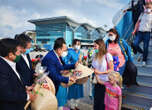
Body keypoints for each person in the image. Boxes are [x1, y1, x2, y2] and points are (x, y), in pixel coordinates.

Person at [0, 38, 35, 110]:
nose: (21, 54)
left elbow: (13, 82)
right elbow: (5, 94)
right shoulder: (2, 68)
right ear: (10, 55)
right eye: (19, 52)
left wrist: (25, 87)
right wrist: (27, 96)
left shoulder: (10, 63)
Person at [92, 39, 114, 110]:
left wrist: (100, 73)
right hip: (97, 81)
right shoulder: (94, 55)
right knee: (96, 102)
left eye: (95, 46)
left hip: (105, 82)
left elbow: (111, 69)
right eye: (94, 46)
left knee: (103, 103)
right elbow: (93, 67)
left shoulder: (107, 55)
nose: (94, 48)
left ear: (100, 46)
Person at [63, 39, 83, 110]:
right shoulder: (70, 52)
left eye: (79, 44)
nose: (78, 45)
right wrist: (71, 66)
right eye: (76, 44)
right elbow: (65, 61)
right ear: (73, 44)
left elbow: (83, 62)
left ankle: (76, 105)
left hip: (80, 73)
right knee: (72, 89)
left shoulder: (81, 52)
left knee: (79, 89)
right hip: (72, 72)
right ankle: (71, 106)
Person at [132, 0, 152, 66]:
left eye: (149, 7)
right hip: (140, 32)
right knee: (135, 44)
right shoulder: (142, 13)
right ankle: (141, 52)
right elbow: (137, 22)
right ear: (145, 7)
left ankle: (144, 60)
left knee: (145, 47)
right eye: (147, 6)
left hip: (147, 33)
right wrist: (134, 30)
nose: (148, 8)